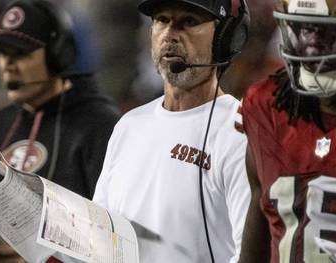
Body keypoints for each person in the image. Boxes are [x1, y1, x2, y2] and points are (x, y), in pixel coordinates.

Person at [93, 0, 251, 262]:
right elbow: (99, 235)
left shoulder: (240, 132)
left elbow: (249, 252)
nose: (170, 34)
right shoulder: (129, 126)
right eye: (162, 20)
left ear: (226, 38)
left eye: (189, 21)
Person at [0, 0, 119, 261]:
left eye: (21, 53)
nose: (8, 65)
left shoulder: (101, 126)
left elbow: (117, 240)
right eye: (3, 53)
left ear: (58, 56)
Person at [238, 0, 336, 262]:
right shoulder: (266, 107)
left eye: (332, 34)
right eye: (304, 30)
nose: (312, 47)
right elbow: (260, 213)